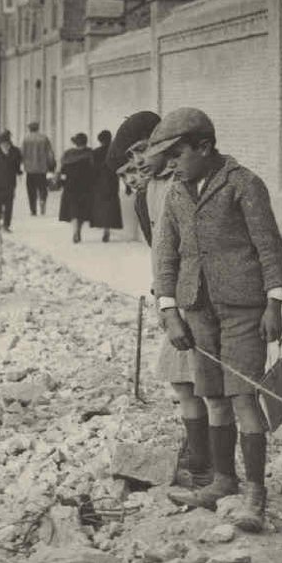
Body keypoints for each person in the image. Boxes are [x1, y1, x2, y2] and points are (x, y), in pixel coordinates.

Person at [150, 107, 282, 533]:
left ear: (205, 147)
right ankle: (223, 483)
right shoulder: (176, 192)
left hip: (244, 309)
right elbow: (166, 257)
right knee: (212, 397)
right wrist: (170, 311)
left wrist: (274, 304)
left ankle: (255, 496)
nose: (170, 164)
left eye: (177, 154)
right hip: (196, 310)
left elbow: (269, 247)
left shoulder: (243, 185)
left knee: (245, 397)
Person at [109, 110, 209, 491]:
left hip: (192, 296)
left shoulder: (181, 184)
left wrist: (174, 303)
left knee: (195, 382)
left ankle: (203, 463)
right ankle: (200, 454)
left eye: (140, 152)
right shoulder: (149, 190)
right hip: (171, 295)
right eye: (128, 162)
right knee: (185, 381)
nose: (135, 165)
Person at [58, 132, 95, 243]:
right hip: (86, 185)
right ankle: (79, 230)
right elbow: (94, 170)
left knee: (73, 209)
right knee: (82, 210)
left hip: (70, 185)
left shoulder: (68, 154)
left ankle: (75, 230)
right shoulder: (90, 153)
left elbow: (62, 169)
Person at [90, 129, 123, 242]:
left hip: (99, 182)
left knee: (101, 206)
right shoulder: (115, 151)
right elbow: (121, 167)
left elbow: (92, 169)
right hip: (112, 181)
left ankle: (104, 227)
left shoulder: (95, 152)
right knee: (111, 205)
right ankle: (107, 229)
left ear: (100, 140)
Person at [0, 129, 22, 232]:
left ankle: (6, 225)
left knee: (9, 204)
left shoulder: (15, 151)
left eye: (6, 142)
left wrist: (19, 173)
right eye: (3, 142)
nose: (5, 144)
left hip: (10, 181)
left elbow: (17, 165)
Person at [21, 121, 56, 216]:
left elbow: (22, 153)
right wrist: (51, 165)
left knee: (31, 190)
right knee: (42, 188)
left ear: (29, 128)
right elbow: (49, 153)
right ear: (38, 128)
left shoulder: (26, 139)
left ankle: (33, 210)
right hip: (42, 168)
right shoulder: (44, 138)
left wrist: (22, 164)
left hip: (30, 169)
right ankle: (42, 200)